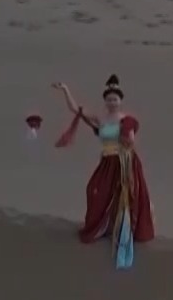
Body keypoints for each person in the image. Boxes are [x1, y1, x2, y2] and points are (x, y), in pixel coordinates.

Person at [52, 75, 156, 268]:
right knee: (96, 190)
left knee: (125, 196)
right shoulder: (100, 118)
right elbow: (75, 110)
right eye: (109, 99)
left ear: (120, 101)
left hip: (124, 162)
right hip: (108, 161)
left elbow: (130, 140)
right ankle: (103, 226)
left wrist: (127, 138)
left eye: (115, 99)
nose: (112, 102)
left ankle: (125, 229)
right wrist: (65, 89)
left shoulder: (126, 120)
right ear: (105, 101)